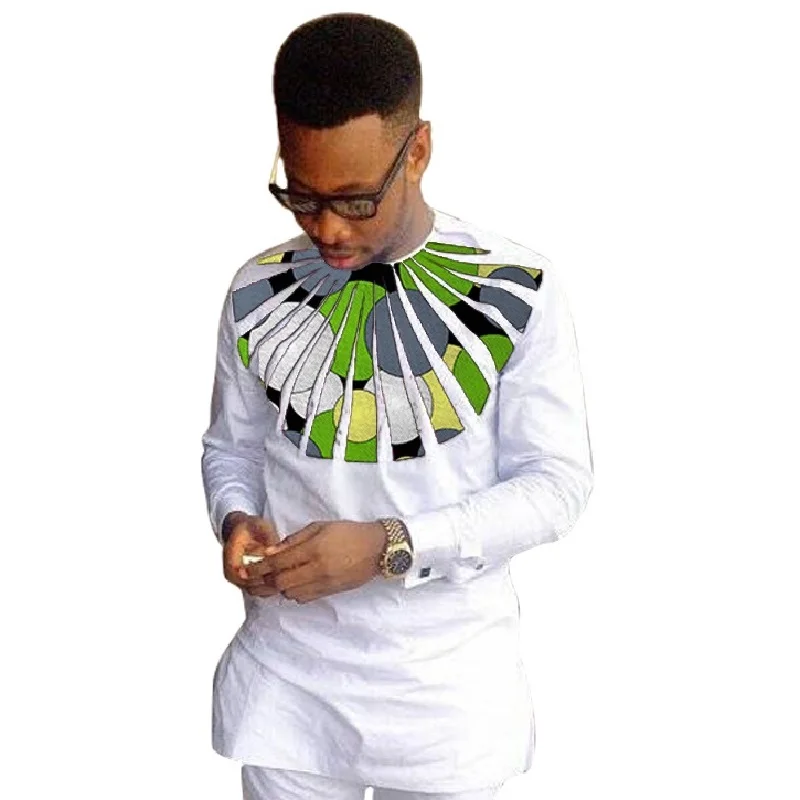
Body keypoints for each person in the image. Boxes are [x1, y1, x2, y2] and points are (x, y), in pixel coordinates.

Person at [201, 12, 594, 800]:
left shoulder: (515, 290)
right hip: (288, 695)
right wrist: (236, 517)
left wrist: (393, 544)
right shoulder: (256, 289)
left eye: (353, 200)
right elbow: (230, 450)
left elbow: (556, 485)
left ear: (417, 152)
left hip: (445, 702)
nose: (326, 228)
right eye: (301, 196)